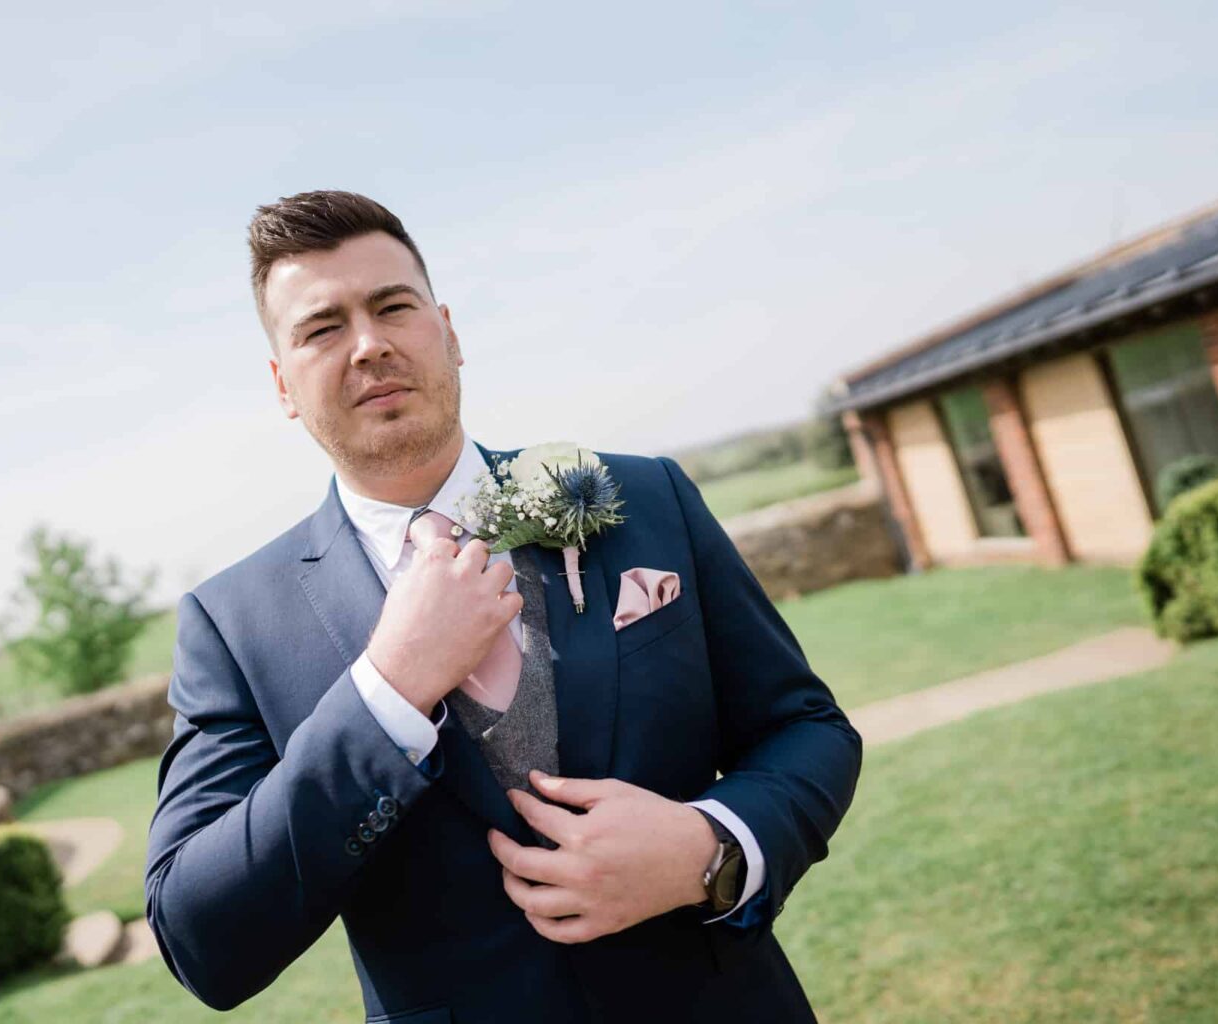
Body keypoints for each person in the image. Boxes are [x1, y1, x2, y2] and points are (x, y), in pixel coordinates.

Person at [144, 190, 862, 1022]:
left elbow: (806, 728)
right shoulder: (234, 627)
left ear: (447, 332)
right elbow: (200, 938)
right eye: (322, 328)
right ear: (282, 385)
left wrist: (710, 847)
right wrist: (388, 689)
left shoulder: (647, 496)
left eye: (392, 306)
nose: (369, 345)